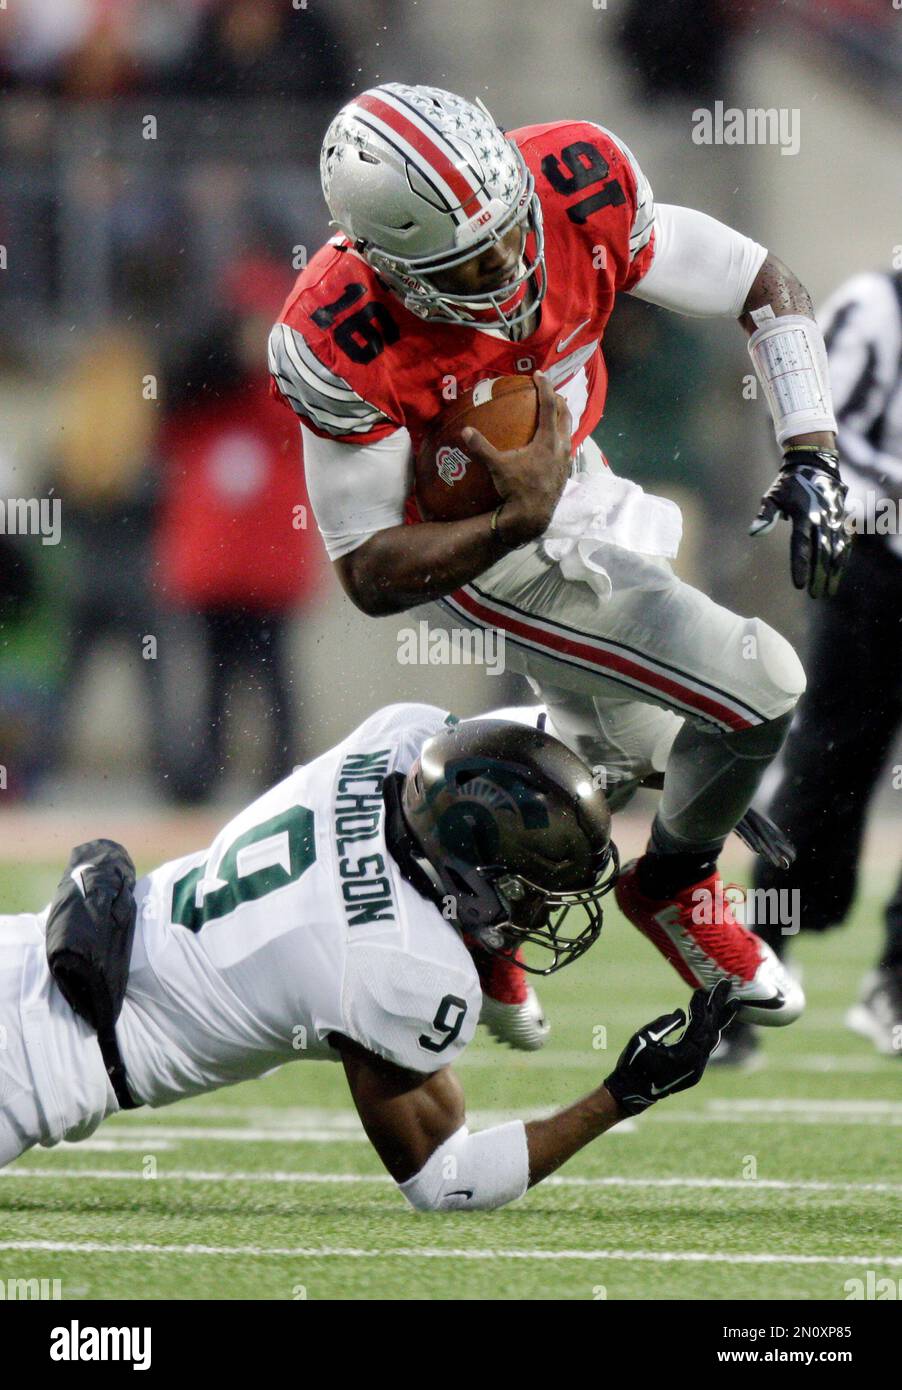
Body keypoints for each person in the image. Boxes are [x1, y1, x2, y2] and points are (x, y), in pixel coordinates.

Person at [268, 83, 848, 1011]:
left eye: (508, 228)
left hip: (582, 483)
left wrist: (811, 448)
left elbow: (760, 282)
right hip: (483, 550)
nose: (506, 265)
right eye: (467, 264)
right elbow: (370, 570)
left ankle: (467, 901)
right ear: (390, 265)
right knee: (761, 687)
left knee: (612, 758)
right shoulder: (339, 333)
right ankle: (673, 886)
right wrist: (513, 519)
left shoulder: (576, 180)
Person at [0, 703, 796, 1206]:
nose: (538, 909)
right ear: (469, 879)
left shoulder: (398, 741)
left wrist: (696, 791)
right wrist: (623, 1092)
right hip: (31, 1074)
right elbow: (445, 1181)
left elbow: (523, 749)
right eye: (529, 891)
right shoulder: (400, 971)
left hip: (34, 943)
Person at [718, 270, 902, 1064]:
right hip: (874, 571)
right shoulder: (876, 305)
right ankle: (757, 971)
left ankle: (896, 979)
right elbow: (814, 424)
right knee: (826, 769)